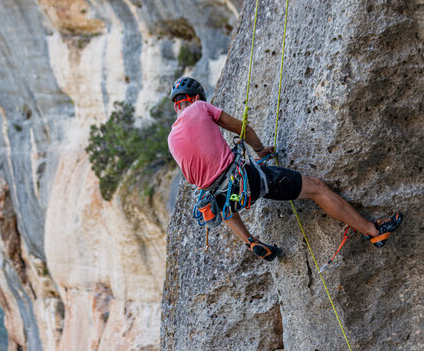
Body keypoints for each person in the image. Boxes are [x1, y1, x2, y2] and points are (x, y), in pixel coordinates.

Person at [167, 77, 403, 261]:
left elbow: (200, 177)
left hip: (235, 197)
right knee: (317, 188)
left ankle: (250, 241)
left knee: (225, 201)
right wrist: (260, 151)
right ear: (196, 97)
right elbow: (244, 130)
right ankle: (373, 231)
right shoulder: (200, 108)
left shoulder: (171, 140)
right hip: (249, 183)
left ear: (177, 105)